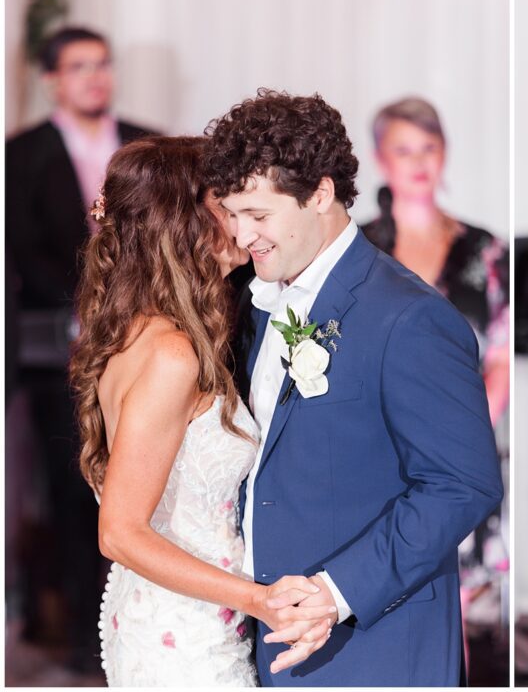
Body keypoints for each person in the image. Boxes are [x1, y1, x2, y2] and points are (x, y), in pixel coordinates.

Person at [204, 89, 504, 686]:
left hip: (371, 641)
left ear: (319, 194)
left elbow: (461, 486)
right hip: (267, 631)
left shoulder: (411, 318)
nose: (241, 236)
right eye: (233, 214)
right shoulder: (253, 300)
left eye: (258, 216)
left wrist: (333, 593)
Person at [68, 136, 338, 685]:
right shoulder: (170, 353)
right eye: (227, 203)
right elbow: (119, 531)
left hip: (187, 614)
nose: (241, 220)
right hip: (181, 633)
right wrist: (258, 599)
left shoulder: (150, 331)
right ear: (188, 221)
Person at [6, 25, 156, 667]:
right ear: (51, 80)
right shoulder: (21, 153)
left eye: (103, 63)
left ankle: (141, 618)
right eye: (79, 66)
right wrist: (83, 311)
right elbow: (19, 250)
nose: (95, 77)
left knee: (145, 478)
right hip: (57, 354)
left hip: (142, 338)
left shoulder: (148, 143)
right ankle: (79, 638)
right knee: (71, 486)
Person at [362, 96, 509, 426]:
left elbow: (502, 357)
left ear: (445, 151)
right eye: (403, 151)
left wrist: (470, 429)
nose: (418, 162)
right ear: (380, 160)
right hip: (372, 435)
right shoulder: (354, 247)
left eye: (429, 147)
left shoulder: (487, 249)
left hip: (467, 432)